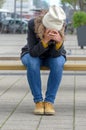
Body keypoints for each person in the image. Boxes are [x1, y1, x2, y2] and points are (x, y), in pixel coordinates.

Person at [20, 5, 66, 115]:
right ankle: (38, 101)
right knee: (33, 62)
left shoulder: (63, 25)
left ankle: (49, 102)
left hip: (52, 55)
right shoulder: (33, 24)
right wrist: (45, 40)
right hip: (31, 53)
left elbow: (56, 55)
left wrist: (59, 42)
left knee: (58, 62)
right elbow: (33, 52)